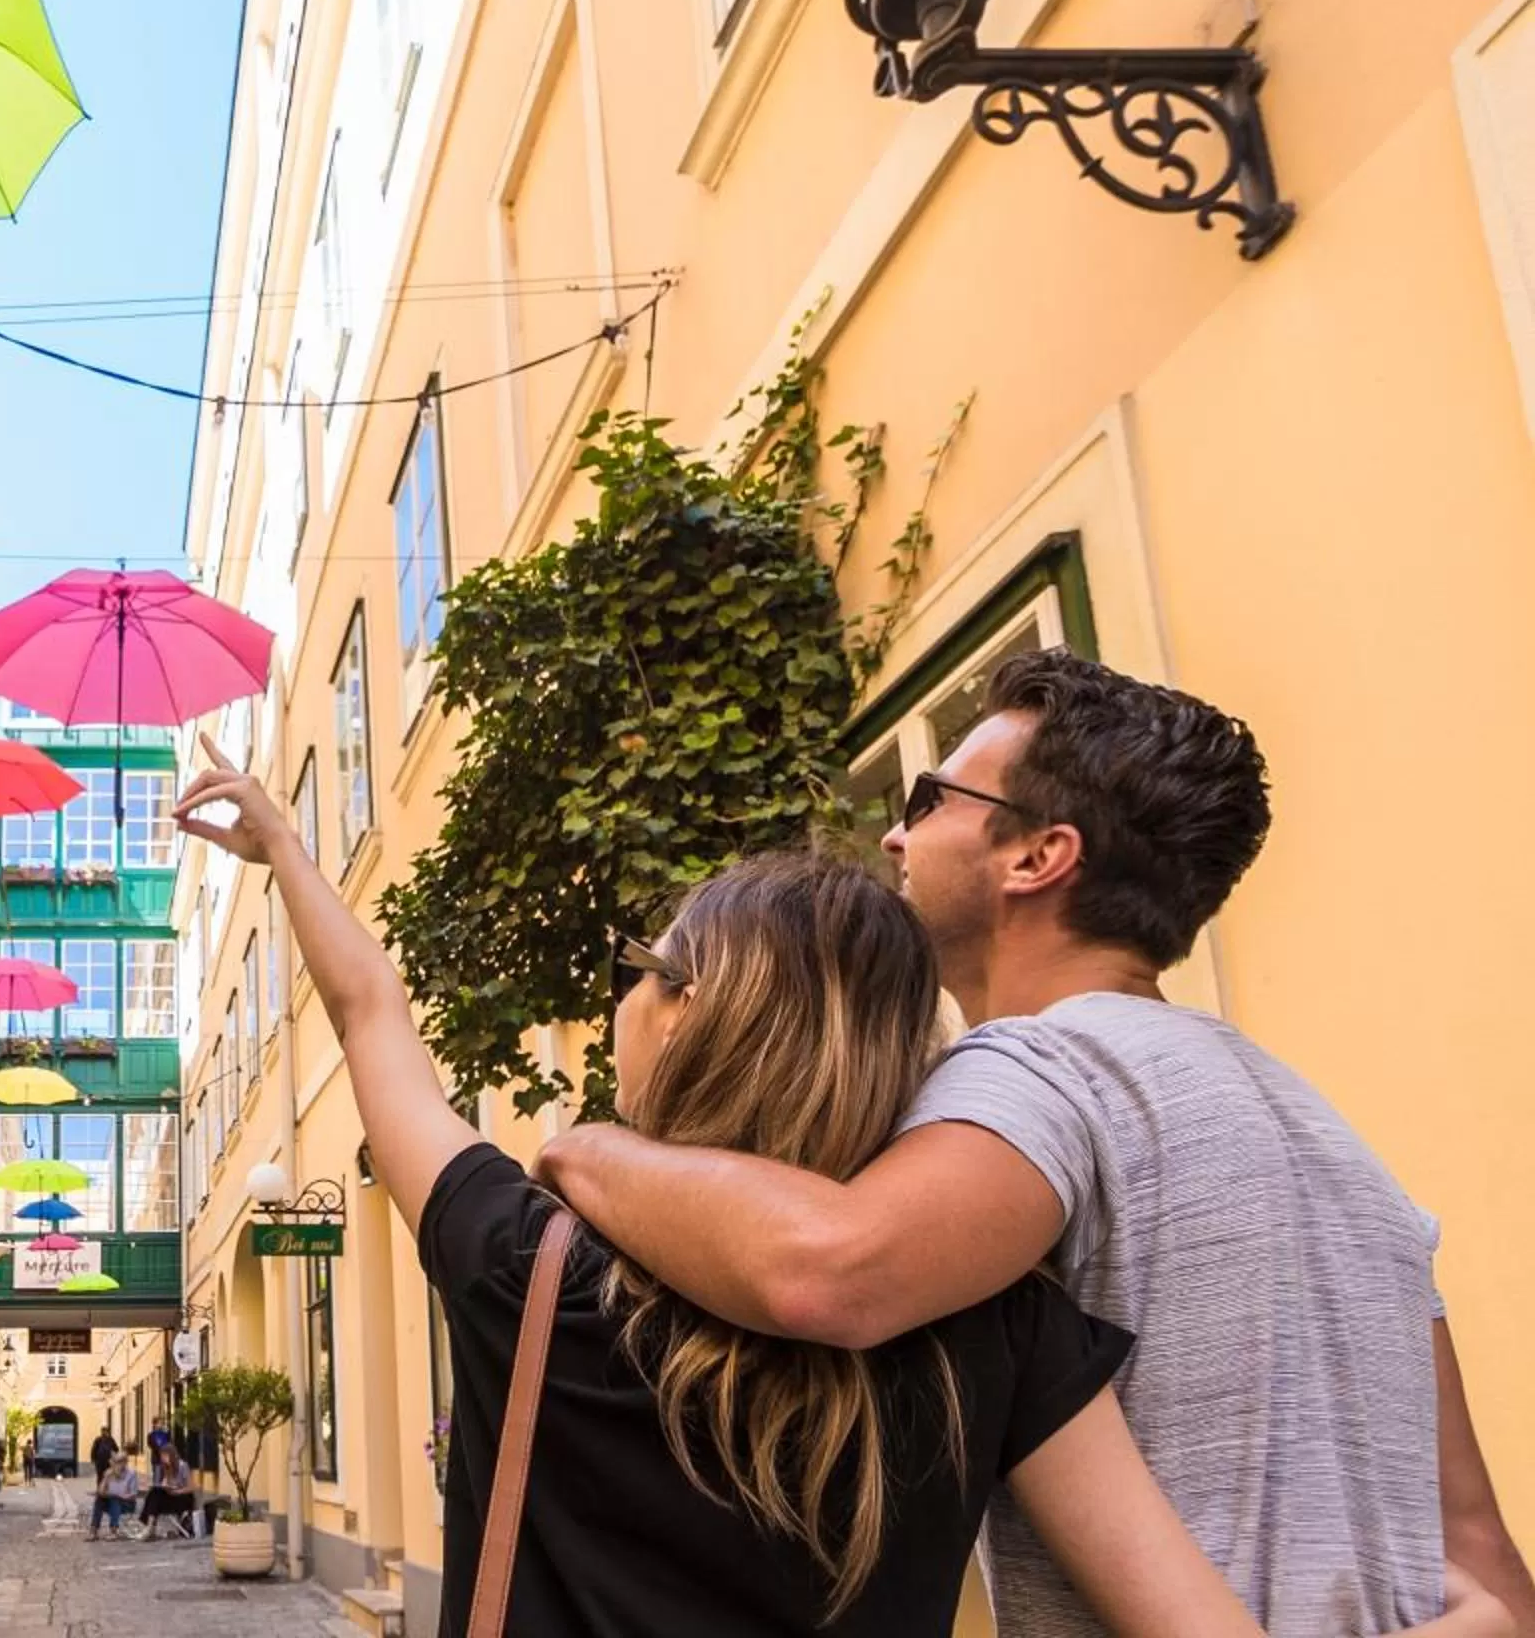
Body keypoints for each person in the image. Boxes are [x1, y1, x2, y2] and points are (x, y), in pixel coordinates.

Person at [172, 743, 1510, 1637]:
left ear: (689, 1014)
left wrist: (292, 849)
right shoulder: (1001, 1321)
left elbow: (373, 1023)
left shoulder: (519, 1262)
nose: (625, 996)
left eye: (645, 967)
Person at [534, 652, 1535, 1635]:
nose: (893, 832)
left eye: (931, 797)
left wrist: (583, 1151)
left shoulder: (1040, 1070)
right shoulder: (1335, 1139)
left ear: (1035, 856)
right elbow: (1483, 1550)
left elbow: (827, 1267)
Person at [89, 1444, 144, 1542]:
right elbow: (100, 1491)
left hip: (127, 1504)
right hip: (111, 1502)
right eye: (115, 1462)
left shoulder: (131, 1474)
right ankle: (94, 1530)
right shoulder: (109, 1473)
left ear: (125, 1463)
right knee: (99, 1499)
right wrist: (106, 1478)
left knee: (115, 1499)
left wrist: (121, 1496)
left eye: (120, 1462)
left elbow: (133, 1495)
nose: (117, 1465)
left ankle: (113, 1531)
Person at [141, 1446, 198, 1540]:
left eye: (165, 1455)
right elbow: (167, 1484)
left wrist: (178, 1491)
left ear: (171, 1455)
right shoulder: (166, 1468)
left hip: (183, 1498)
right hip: (172, 1497)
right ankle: (150, 1526)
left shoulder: (183, 1465)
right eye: (162, 1456)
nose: (163, 1458)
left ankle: (150, 1527)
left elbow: (191, 1487)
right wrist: (167, 1475)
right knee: (154, 1493)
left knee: (155, 1495)